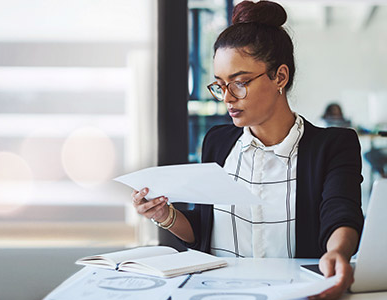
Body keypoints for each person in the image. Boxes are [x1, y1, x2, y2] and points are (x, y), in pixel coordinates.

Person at [131, 1, 363, 299]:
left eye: (239, 83)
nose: (227, 98)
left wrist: (338, 253)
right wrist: (164, 215)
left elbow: (340, 212)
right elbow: (204, 230)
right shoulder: (217, 142)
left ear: (280, 76)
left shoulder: (332, 145)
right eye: (219, 85)